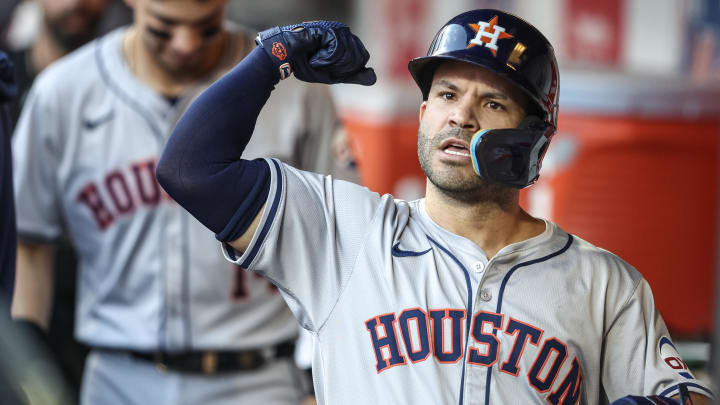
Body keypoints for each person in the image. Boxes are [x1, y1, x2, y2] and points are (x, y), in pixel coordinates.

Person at [156, 9, 715, 405]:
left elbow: (685, 396)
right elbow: (190, 170)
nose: (461, 116)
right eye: (447, 95)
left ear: (534, 140)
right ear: (424, 113)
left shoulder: (603, 284)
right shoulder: (344, 231)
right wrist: (271, 58)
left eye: (491, 102)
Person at [11, 0, 347, 403]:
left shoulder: (292, 85)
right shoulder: (63, 91)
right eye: (163, 27)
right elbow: (30, 244)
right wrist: (26, 374)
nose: (186, 43)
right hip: (116, 378)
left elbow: (340, 242)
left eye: (206, 27)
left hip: (258, 376)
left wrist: (321, 380)